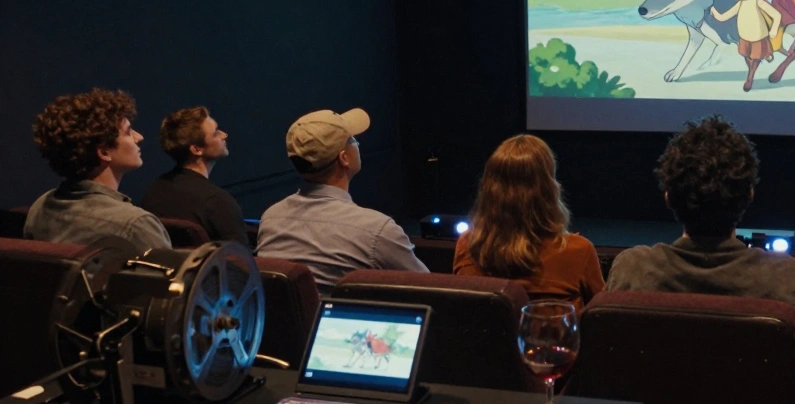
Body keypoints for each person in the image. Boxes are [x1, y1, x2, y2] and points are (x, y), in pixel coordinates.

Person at [604, 115, 795, 404]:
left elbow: (609, 382)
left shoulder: (630, 271)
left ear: (668, 197)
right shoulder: (791, 282)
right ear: (749, 196)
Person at [256, 107, 427, 295]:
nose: (357, 144)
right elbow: (428, 290)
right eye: (352, 140)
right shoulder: (378, 231)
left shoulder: (270, 219)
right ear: (344, 158)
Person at [453, 134, 604, 311]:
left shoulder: (468, 246)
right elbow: (602, 320)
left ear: (490, 190)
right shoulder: (579, 251)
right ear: (549, 190)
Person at [24, 88, 171, 251]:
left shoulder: (39, 207)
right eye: (129, 132)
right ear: (104, 152)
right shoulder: (137, 225)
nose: (139, 137)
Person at [140, 106, 248, 245]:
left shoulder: (153, 191)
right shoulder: (217, 201)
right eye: (215, 133)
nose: (224, 135)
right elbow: (242, 262)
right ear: (197, 149)